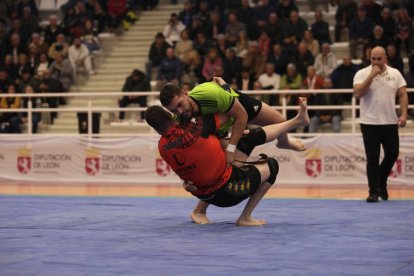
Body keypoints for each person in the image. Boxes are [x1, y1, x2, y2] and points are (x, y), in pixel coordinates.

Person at [145, 98, 310, 225]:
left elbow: (186, 174)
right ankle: (245, 217)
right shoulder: (196, 127)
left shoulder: (162, 147)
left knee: (245, 139)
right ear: (170, 114)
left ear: (155, 128)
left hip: (204, 194)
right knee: (272, 166)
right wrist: (224, 92)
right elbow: (232, 112)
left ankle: (199, 210)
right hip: (229, 191)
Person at [160, 77, 307, 165]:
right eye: (173, 110)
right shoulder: (178, 118)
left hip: (237, 105)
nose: (180, 112)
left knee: (280, 122)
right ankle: (200, 210)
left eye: (180, 104)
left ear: (186, 94)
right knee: (225, 165)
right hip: (221, 123)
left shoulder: (210, 94)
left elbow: (241, 116)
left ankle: (284, 142)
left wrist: (231, 149)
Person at [353, 46, 408, 203]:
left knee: (392, 154)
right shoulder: (362, 73)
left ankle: (381, 182)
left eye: (379, 58)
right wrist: (371, 76)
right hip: (369, 122)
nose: (376, 62)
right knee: (372, 158)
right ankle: (373, 192)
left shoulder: (395, 73)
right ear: (370, 58)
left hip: (390, 122)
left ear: (385, 58)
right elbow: (357, 93)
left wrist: (403, 114)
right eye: (373, 59)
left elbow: (403, 94)